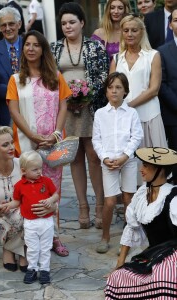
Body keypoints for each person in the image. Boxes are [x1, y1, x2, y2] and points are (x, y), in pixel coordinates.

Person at [7, 30, 72, 257]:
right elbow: (14, 110)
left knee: (51, 189)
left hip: (53, 144)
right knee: (28, 189)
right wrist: (33, 136)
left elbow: (63, 105)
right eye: (27, 45)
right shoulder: (16, 79)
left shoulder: (55, 76)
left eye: (36, 45)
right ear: (23, 49)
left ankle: (53, 235)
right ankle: (28, 236)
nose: (31, 48)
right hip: (28, 145)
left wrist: (55, 133)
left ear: (43, 49)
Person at [50, 2, 109, 230]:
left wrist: (86, 96)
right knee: (74, 156)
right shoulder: (54, 48)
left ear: (82, 23)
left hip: (90, 108)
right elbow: (50, 78)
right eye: (64, 23)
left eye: (72, 22)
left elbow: (103, 75)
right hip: (66, 109)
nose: (67, 26)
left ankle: (100, 206)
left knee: (94, 155)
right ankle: (83, 206)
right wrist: (68, 100)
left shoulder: (96, 48)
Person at [0, 126, 56, 272]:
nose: (12, 147)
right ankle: (14, 249)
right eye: (5, 145)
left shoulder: (24, 165)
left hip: (28, 217)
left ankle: (18, 250)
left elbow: (47, 192)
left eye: (12, 142)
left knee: (26, 211)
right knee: (21, 213)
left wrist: (50, 207)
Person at [105, 147, 177, 299]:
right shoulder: (142, 194)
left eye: (145, 165)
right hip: (155, 253)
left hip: (173, 256)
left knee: (163, 277)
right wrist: (120, 263)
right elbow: (131, 228)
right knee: (118, 278)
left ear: (159, 170)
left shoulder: (173, 197)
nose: (140, 169)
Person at [92, 72, 143, 254]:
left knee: (128, 199)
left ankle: (129, 238)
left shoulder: (131, 113)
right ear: (106, 91)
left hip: (127, 160)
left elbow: (137, 136)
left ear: (125, 91)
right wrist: (104, 158)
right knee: (111, 201)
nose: (114, 91)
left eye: (118, 87)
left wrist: (125, 156)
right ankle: (105, 237)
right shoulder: (100, 114)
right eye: (111, 87)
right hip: (108, 162)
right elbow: (96, 140)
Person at [0, 151, 59, 284]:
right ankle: (32, 269)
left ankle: (45, 270)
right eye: (35, 169)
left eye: (40, 168)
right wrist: (6, 206)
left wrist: (51, 200)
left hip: (46, 221)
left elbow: (56, 194)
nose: (39, 172)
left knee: (46, 247)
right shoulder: (19, 186)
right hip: (30, 222)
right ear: (24, 171)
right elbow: (17, 201)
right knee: (32, 248)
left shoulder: (46, 181)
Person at [110, 14, 167, 150]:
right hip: (123, 119)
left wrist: (128, 105)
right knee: (128, 165)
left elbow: (154, 90)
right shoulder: (116, 59)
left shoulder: (153, 56)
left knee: (153, 163)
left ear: (142, 31)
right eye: (126, 30)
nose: (129, 34)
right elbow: (111, 89)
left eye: (134, 30)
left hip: (149, 116)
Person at [158, 7, 177, 185]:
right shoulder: (162, 52)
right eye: (176, 20)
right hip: (173, 116)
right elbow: (162, 85)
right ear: (170, 25)